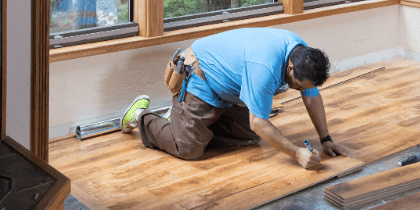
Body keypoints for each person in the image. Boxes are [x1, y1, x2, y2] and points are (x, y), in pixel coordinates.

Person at [121, 28, 351, 169]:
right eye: (297, 86)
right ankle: (142, 115)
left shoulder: (302, 56)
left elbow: (311, 97)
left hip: (228, 90)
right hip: (201, 78)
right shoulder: (265, 68)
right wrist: (296, 153)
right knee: (188, 149)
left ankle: (184, 121)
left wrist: (326, 139)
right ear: (290, 67)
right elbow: (258, 121)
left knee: (249, 137)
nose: (298, 90)